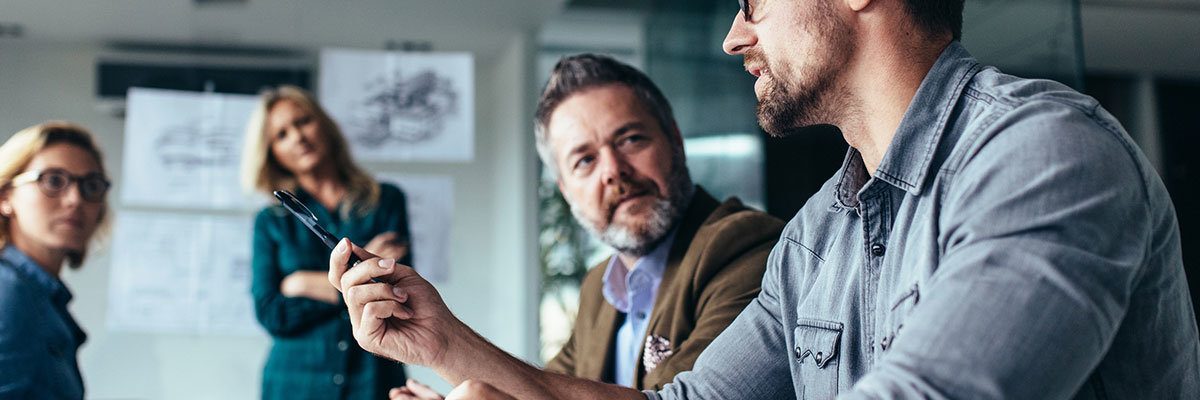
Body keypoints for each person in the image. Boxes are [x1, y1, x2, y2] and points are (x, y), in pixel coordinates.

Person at [332, 0, 1200, 398]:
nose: (733, 34)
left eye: (754, 0)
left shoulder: (1044, 151)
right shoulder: (819, 235)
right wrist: (445, 345)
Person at [391, 54, 783, 399]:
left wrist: (444, 343)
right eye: (584, 161)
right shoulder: (600, 287)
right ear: (566, 190)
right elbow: (545, 390)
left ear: (675, 142)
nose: (614, 171)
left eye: (630, 140)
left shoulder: (744, 246)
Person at [241, 85, 413, 400]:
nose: (297, 137)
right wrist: (358, 281)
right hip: (293, 384)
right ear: (271, 152)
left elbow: (395, 294)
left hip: (373, 380)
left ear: (324, 124)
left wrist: (299, 283)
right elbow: (271, 313)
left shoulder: (386, 200)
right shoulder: (271, 221)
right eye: (281, 134)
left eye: (303, 121)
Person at [0, 122, 112, 399]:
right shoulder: (8, 294)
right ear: (5, 197)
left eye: (91, 186)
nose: (75, 199)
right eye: (52, 180)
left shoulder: (40, 297)